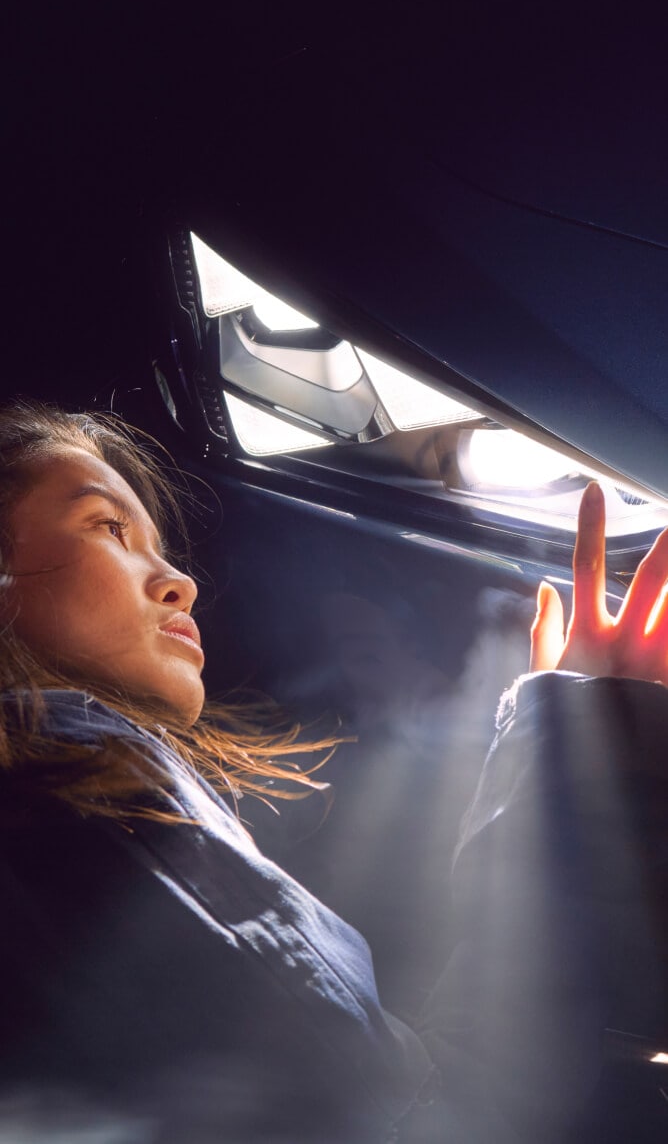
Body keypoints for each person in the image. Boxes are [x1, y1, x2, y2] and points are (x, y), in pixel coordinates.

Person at [0, 401, 665, 1142]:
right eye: (108, 527)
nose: (178, 581)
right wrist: (583, 731)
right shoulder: (81, 793)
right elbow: (435, 1117)